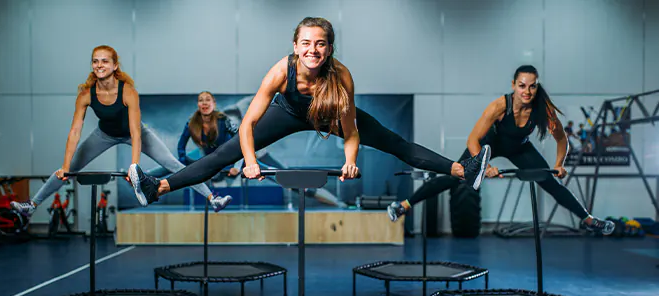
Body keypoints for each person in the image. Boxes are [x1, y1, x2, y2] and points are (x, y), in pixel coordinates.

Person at [127, 17, 490, 205]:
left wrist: (349, 160)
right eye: (306, 43)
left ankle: (462, 170)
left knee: (394, 142)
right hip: (287, 112)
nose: (312, 50)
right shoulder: (279, 71)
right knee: (223, 155)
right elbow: (248, 124)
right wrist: (251, 161)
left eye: (320, 44)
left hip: (328, 115)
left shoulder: (341, 76)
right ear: (295, 46)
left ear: (329, 48)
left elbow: (350, 132)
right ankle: (157, 186)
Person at [386, 65, 615, 235]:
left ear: (537, 87)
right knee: (454, 175)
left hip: (520, 148)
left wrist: (559, 165)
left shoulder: (543, 109)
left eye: (532, 86)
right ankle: (403, 206)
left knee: (549, 181)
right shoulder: (499, 106)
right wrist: (483, 166)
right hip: (489, 144)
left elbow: (562, 139)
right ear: (514, 85)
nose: (527, 91)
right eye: (522, 85)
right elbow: (473, 140)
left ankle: (588, 220)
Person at [10, 45, 231, 216]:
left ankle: (213, 199)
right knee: (66, 170)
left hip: (137, 133)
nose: (99, 65)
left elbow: (135, 132)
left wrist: (134, 167)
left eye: (104, 61)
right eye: (95, 61)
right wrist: (67, 166)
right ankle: (32, 204)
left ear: (115, 66)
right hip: (104, 135)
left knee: (173, 164)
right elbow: (75, 131)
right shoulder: (86, 94)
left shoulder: (128, 92)